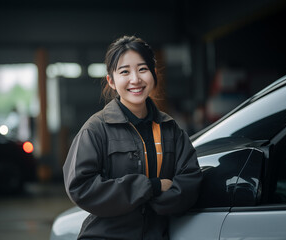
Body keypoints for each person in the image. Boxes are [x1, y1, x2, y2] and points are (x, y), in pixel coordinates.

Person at [63, 35, 202, 240]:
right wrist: (150, 187)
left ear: (154, 74)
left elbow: (191, 179)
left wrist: (155, 202)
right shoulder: (96, 130)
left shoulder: (170, 129)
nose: (135, 79)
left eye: (143, 69)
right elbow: (81, 187)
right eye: (125, 72)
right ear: (111, 80)